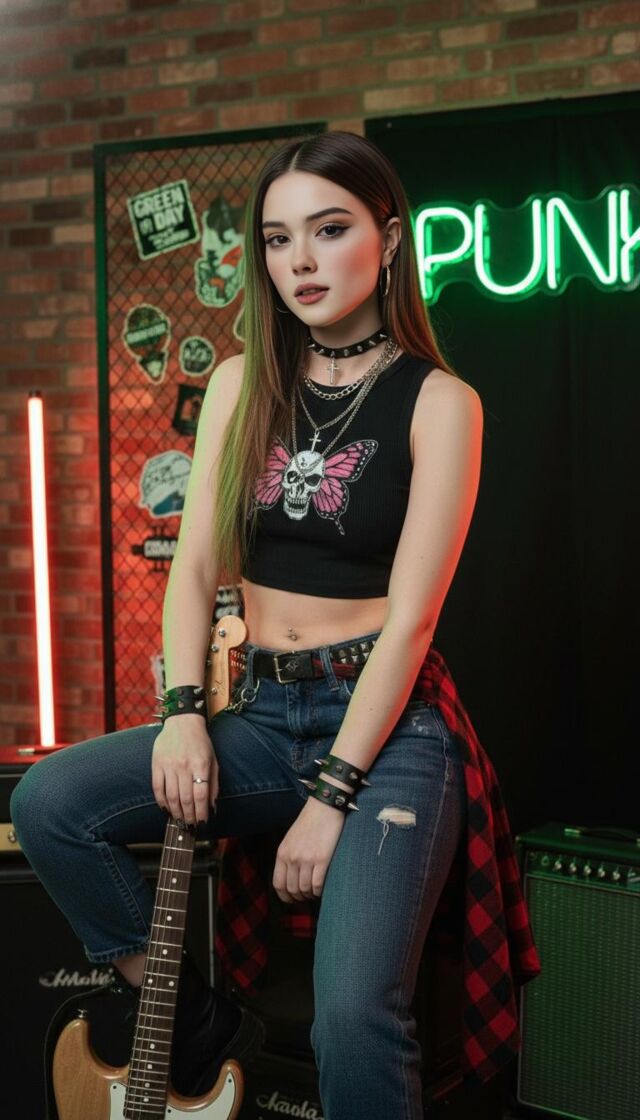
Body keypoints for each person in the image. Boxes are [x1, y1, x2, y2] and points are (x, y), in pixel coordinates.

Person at [11, 131, 538, 1120]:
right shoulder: (239, 383)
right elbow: (194, 568)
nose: (300, 259)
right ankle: (195, 1019)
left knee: (354, 1015)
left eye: (329, 230)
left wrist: (333, 794)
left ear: (388, 240)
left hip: (388, 731)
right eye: (278, 237)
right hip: (260, 712)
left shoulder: (440, 403)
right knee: (51, 803)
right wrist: (180, 712)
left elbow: (413, 620)